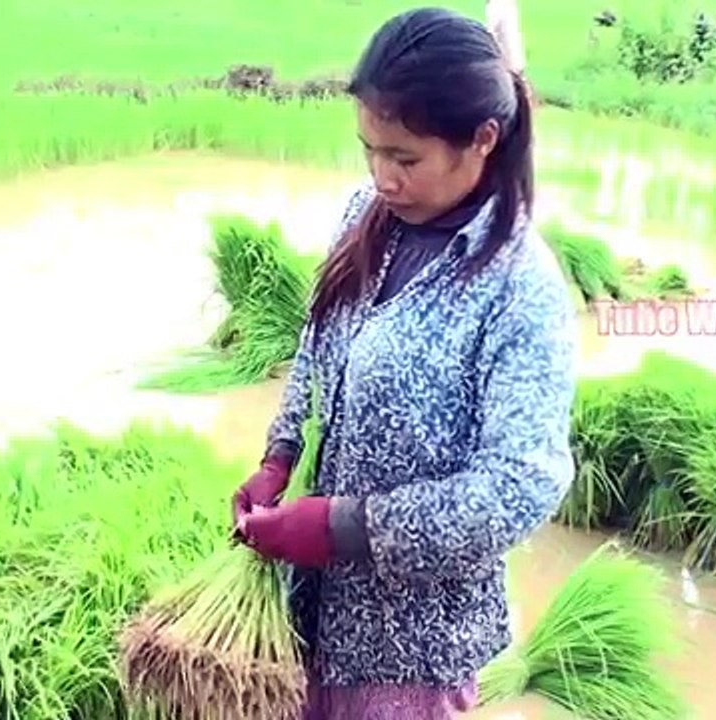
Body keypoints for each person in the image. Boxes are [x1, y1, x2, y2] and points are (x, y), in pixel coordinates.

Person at [233, 7, 577, 719]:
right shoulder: (368, 215)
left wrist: (342, 529)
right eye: (370, 150)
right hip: (310, 615)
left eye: (406, 158)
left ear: (483, 139)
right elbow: (319, 343)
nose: (382, 177)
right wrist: (279, 453)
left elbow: (519, 488)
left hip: (413, 655)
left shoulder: (521, 287)